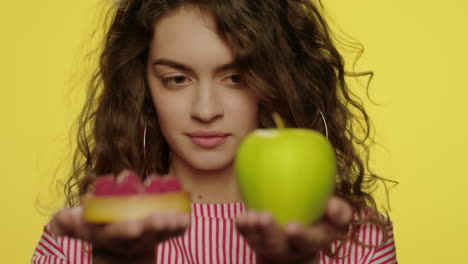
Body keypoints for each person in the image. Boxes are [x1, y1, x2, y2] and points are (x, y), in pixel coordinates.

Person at [32, 0, 397, 263]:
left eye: (236, 78)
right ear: (142, 85)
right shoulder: (86, 240)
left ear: (275, 80)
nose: (205, 111)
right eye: (177, 79)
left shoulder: (352, 238)